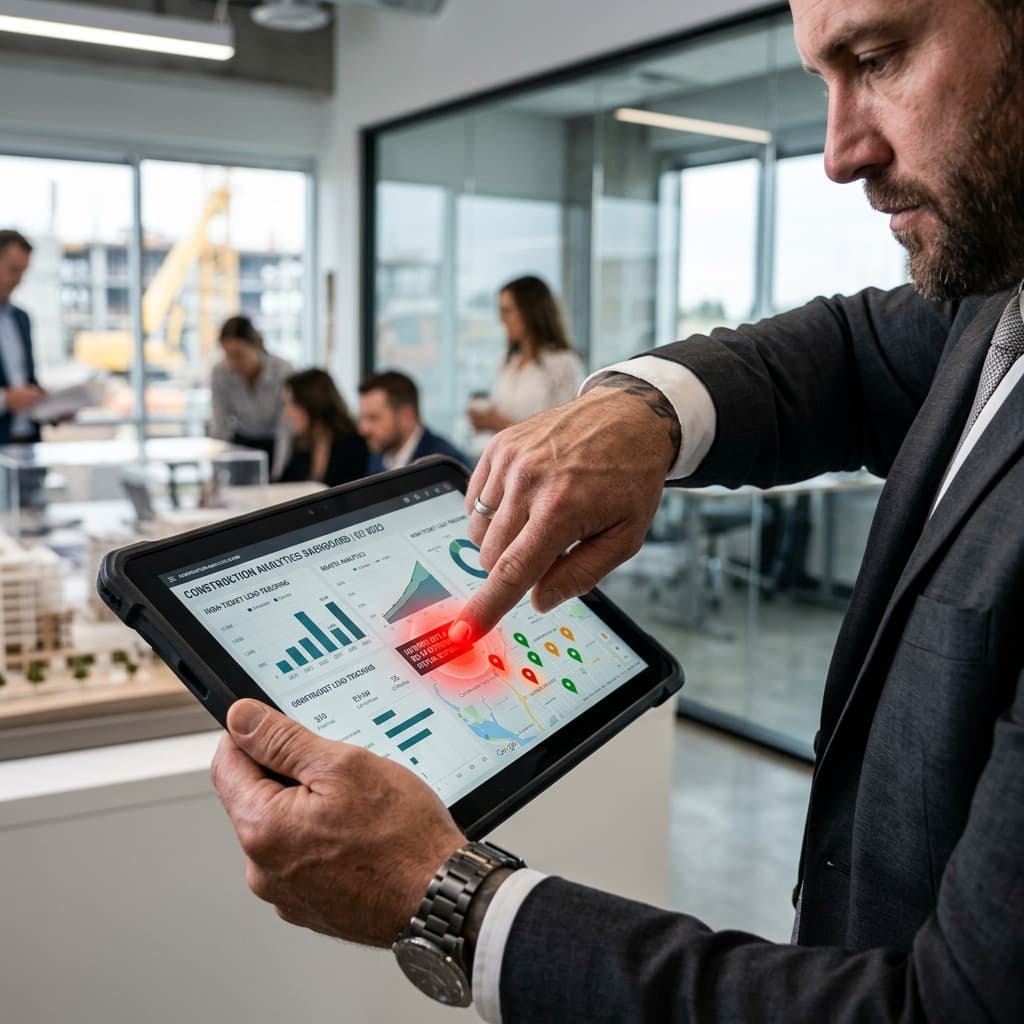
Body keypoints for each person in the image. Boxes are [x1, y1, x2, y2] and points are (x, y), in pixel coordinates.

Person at [210, 1, 1024, 1020]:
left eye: (876, 58)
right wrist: (644, 412)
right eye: (823, 79)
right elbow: (857, 355)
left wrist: (454, 901)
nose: (837, 152)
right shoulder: (1003, 294)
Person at [467, 275, 584, 434]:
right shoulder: (509, 362)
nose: (501, 319)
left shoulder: (563, 363)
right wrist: (485, 418)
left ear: (530, 312)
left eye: (507, 311)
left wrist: (500, 424)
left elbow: (567, 432)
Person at [208, 315, 293, 468]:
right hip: (242, 443)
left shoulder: (283, 371)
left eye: (238, 355)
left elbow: (285, 430)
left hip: (276, 442)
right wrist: (217, 473)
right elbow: (219, 424)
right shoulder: (220, 372)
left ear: (258, 345)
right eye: (227, 355)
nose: (232, 364)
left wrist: (279, 474)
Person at [358, 370, 468, 473]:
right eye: (362, 418)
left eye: (373, 418)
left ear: (406, 415)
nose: (363, 429)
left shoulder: (446, 465)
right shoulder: (379, 455)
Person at [277, 368, 368, 488]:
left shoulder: (354, 443)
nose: (286, 412)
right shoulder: (301, 443)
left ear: (313, 404)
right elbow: (283, 486)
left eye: (292, 404)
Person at [0, 230, 44, 444]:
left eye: (23, 272)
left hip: (27, 442)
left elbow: (27, 381)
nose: (18, 280)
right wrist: (5, 400)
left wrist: (50, 406)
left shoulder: (21, 318)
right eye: (13, 270)